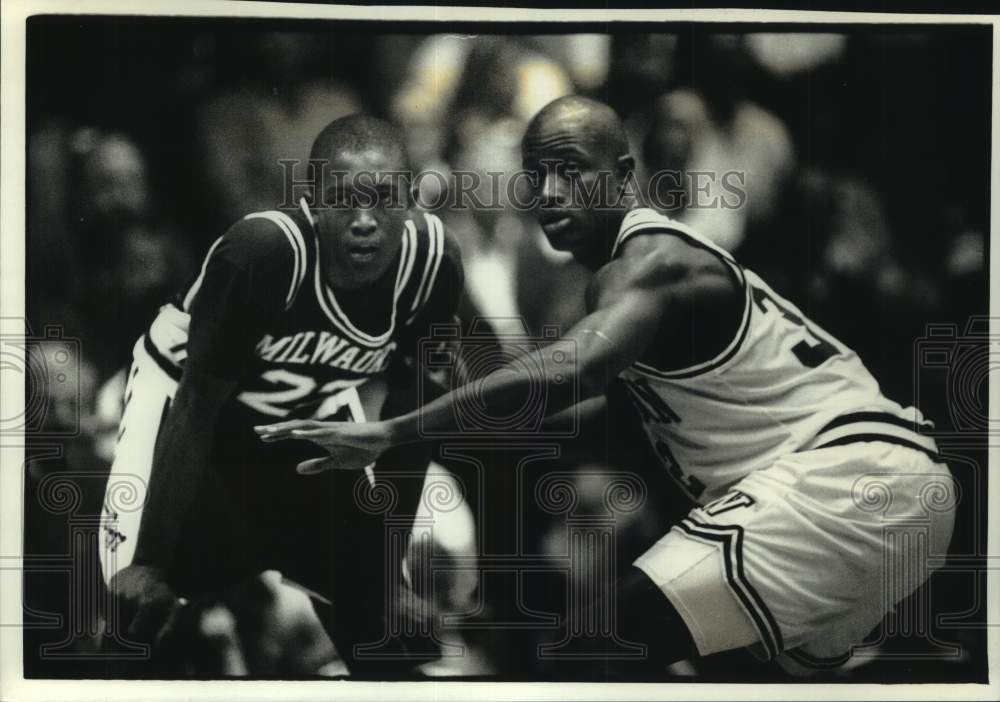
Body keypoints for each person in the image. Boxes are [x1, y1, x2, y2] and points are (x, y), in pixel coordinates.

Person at [258, 96, 956, 678]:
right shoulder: (638, 285)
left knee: (584, 657)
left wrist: (389, 432)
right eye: (537, 176)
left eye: (570, 170)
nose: (550, 192)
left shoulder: (649, 260)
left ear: (623, 174)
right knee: (713, 674)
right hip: (889, 498)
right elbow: (537, 416)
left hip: (840, 479)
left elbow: (566, 374)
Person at [100, 114, 465, 676]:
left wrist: (389, 575)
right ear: (312, 202)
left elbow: (408, 422)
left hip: (306, 415)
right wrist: (151, 563)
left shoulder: (434, 266)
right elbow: (198, 403)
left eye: (386, 200)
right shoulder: (264, 252)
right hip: (185, 404)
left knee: (385, 631)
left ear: (412, 200)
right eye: (344, 201)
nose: (365, 222)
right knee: (136, 608)